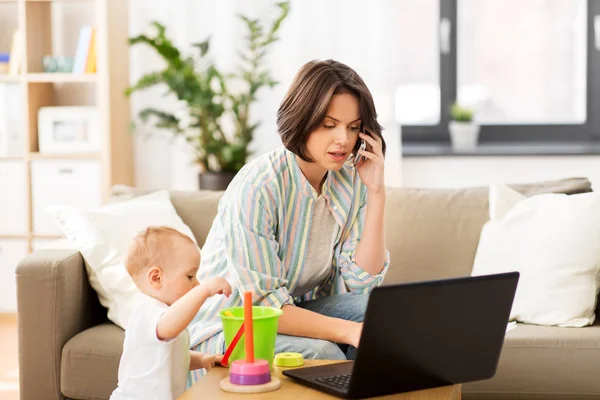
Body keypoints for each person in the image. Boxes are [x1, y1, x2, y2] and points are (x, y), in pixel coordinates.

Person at [188, 59, 390, 384]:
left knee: (381, 316)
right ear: (303, 118)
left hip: (296, 314)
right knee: (325, 354)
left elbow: (360, 285)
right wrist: (351, 332)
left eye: (353, 127)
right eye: (328, 124)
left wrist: (377, 193)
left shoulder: (350, 180)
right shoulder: (258, 187)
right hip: (236, 330)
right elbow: (265, 306)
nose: (343, 139)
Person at [110, 226, 232, 400]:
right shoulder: (147, 311)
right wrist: (204, 290)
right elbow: (170, 327)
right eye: (190, 276)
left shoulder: (164, 314)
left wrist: (202, 359)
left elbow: (172, 356)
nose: (196, 284)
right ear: (156, 278)